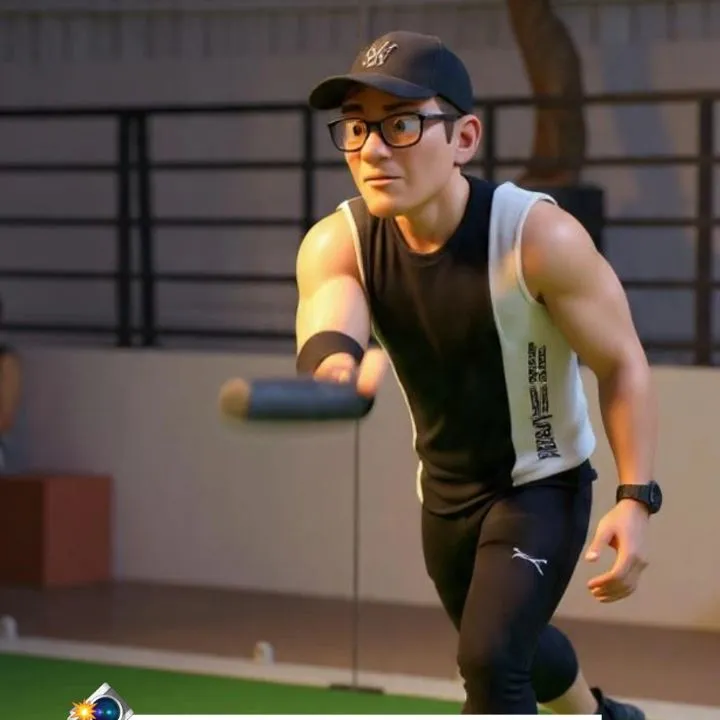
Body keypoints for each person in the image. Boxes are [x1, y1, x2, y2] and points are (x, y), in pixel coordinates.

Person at [292, 30, 660, 717]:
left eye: (401, 124)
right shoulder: (338, 241)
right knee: (512, 643)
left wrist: (635, 498)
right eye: (357, 127)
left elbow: (622, 362)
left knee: (490, 662)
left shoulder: (537, 238)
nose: (372, 149)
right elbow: (330, 323)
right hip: (444, 494)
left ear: (463, 137)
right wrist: (337, 370)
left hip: (542, 487)